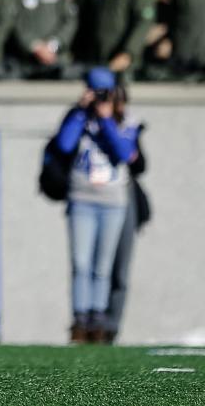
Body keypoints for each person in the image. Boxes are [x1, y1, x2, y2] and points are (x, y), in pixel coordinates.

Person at [54, 68, 139, 343]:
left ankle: (98, 318)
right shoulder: (78, 117)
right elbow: (64, 145)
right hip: (82, 198)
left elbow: (125, 153)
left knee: (103, 266)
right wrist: (81, 112)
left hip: (113, 202)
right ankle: (80, 318)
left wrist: (106, 120)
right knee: (81, 262)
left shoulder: (126, 121)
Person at [104, 83, 148, 343]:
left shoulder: (130, 127)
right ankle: (92, 322)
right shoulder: (90, 121)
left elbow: (138, 163)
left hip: (122, 197)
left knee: (120, 268)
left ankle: (112, 326)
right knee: (95, 267)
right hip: (96, 198)